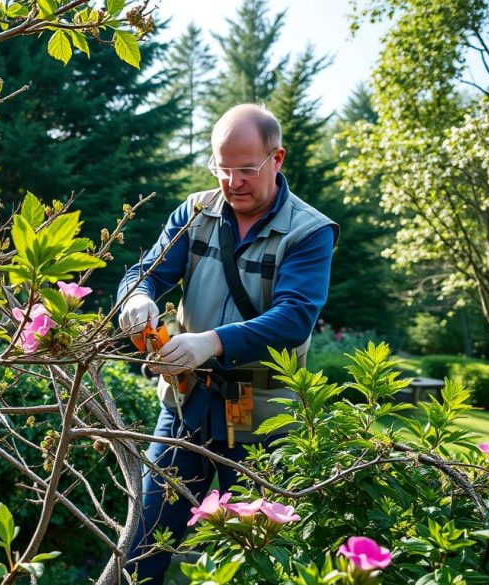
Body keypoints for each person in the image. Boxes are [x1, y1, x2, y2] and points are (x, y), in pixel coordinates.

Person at [116, 104, 338, 583]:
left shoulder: (309, 231)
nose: (232, 181)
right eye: (222, 168)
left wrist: (210, 342)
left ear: (277, 159)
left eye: (246, 169)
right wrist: (136, 296)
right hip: (185, 404)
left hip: (262, 419)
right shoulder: (194, 212)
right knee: (143, 544)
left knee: (258, 557)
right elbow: (145, 272)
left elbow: (294, 318)